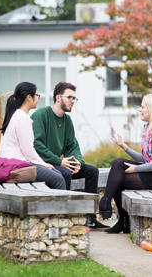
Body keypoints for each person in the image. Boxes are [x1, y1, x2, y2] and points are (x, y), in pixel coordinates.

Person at [99, 93, 152, 234]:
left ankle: (117, 216)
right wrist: (124, 147)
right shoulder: (149, 128)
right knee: (118, 165)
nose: (139, 110)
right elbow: (145, 159)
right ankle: (115, 213)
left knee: (119, 177)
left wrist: (136, 168)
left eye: (143, 107)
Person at [31, 82, 107, 229]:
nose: (73, 101)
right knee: (65, 173)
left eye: (74, 98)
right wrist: (59, 160)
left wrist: (77, 161)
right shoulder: (41, 115)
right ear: (58, 97)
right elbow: (37, 145)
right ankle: (66, 218)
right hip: (44, 165)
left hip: (59, 162)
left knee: (92, 171)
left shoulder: (67, 120)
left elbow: (72, 145)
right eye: (69, 97)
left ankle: (90, 218)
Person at [0, 82, 66, 190]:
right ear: (29, 97)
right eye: (37, 95)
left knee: (58, 173)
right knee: (58, 179)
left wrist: (44, 165)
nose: (38, 98)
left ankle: (51, 205)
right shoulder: (22, 118)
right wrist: (44, 164)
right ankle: (60, 207)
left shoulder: (16, 115)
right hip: (17, 167)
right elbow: (28, 150)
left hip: (11, 164)